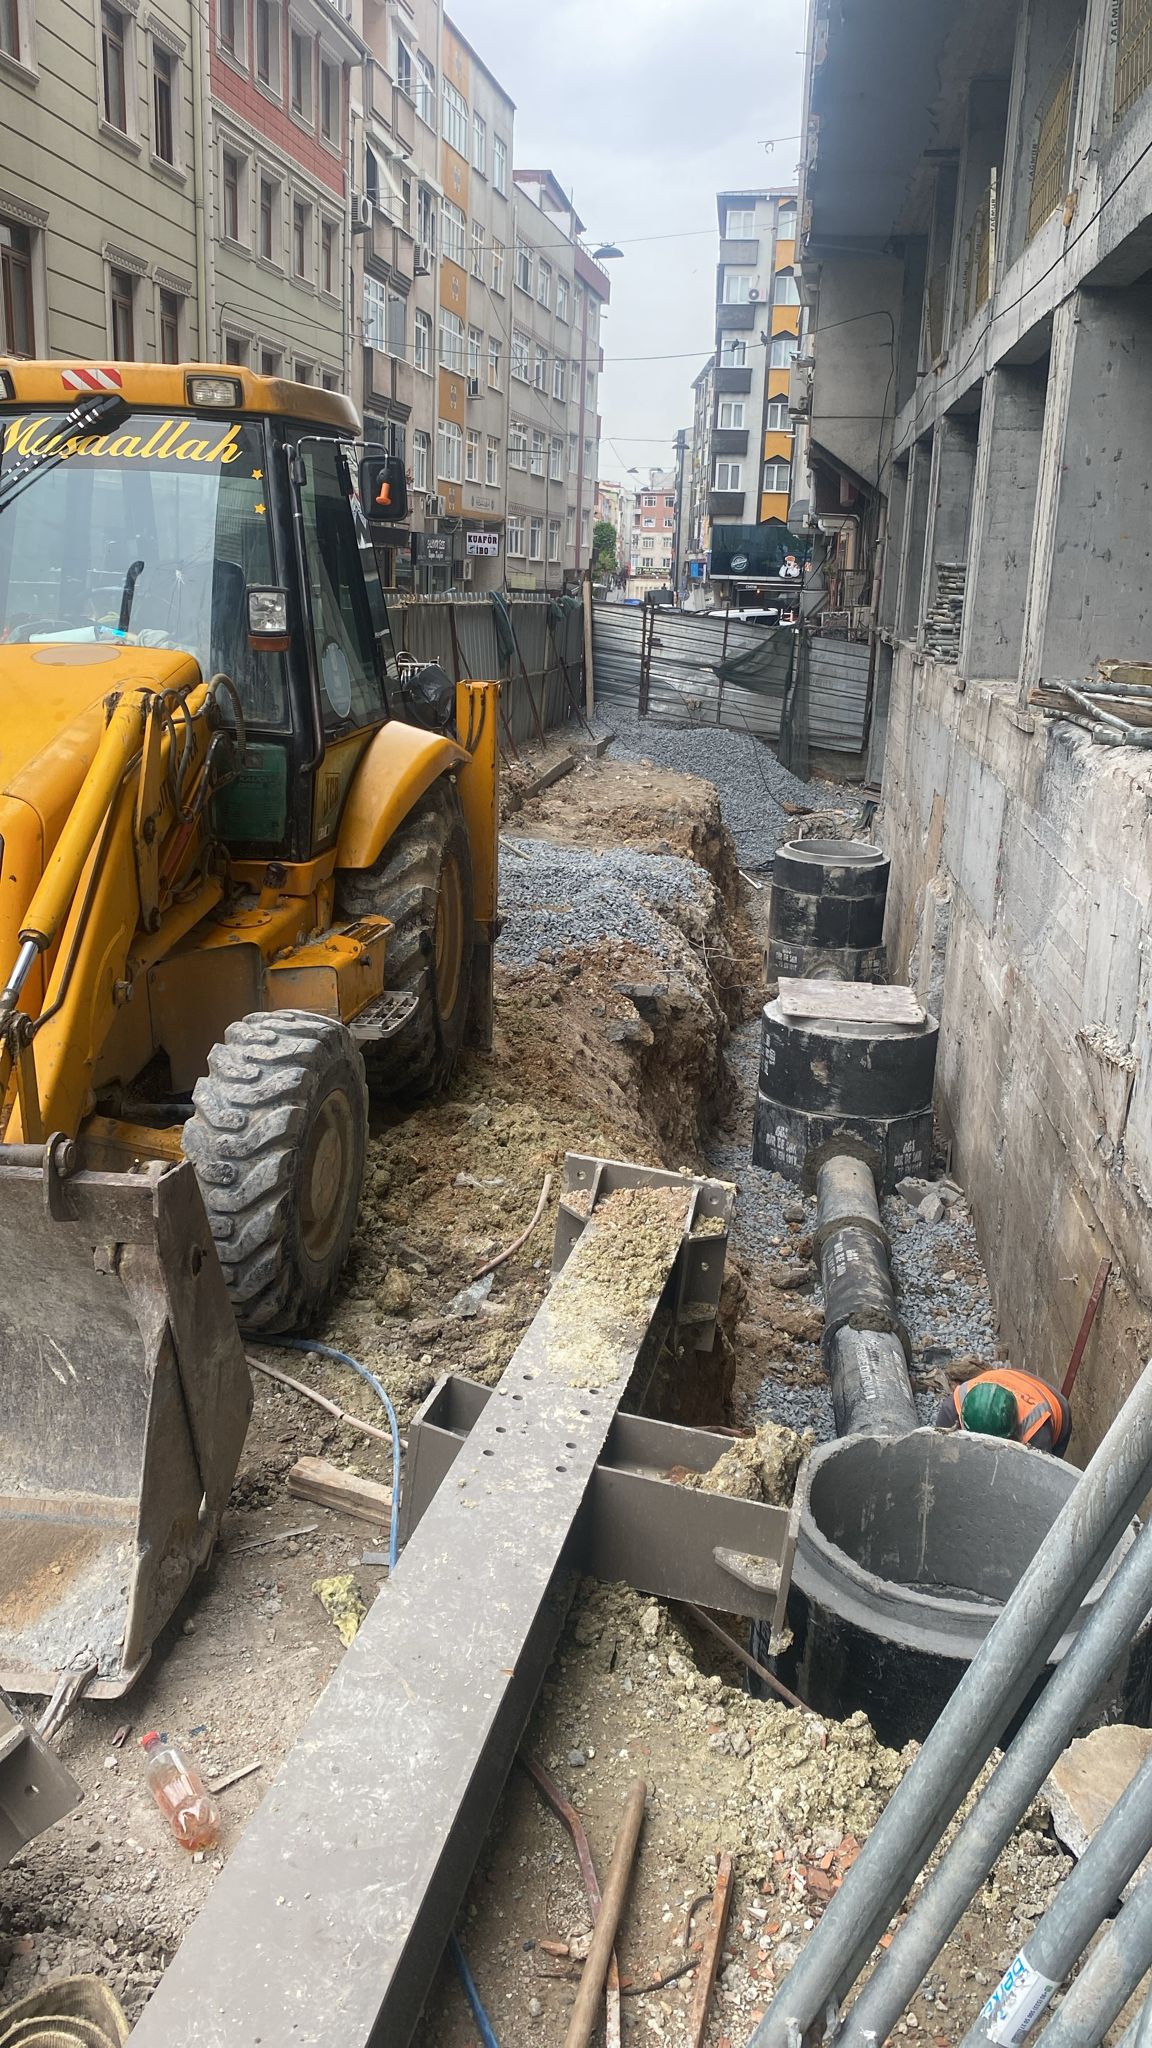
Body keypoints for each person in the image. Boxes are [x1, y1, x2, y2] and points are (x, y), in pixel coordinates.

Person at [935, 1366, 1072, 1457]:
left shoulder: (1036, 1433)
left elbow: (1036, 1480)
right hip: (1009, 1377)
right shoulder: (952, 1408)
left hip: (1054, 1403)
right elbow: (941, 1454)